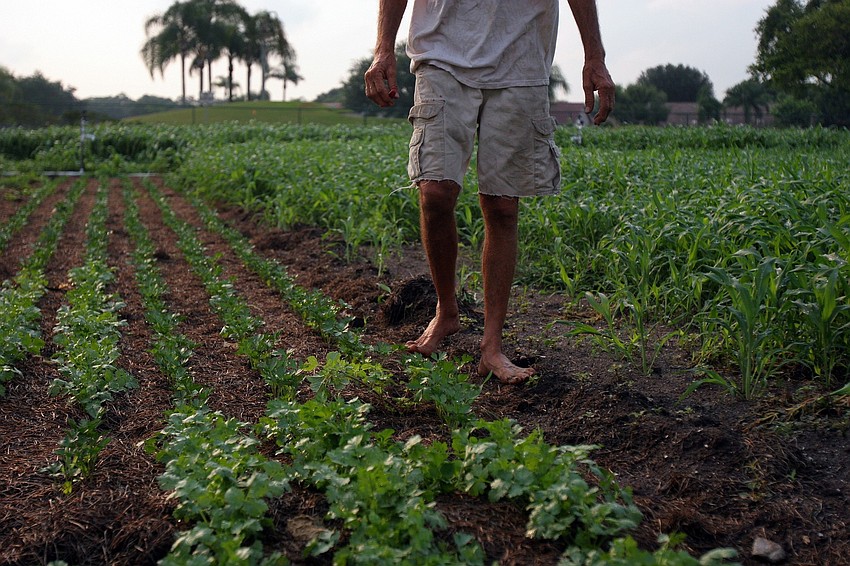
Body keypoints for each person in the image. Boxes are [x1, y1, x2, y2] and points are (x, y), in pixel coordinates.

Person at [365, 0, 614, 384]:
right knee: (435, 192)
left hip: (521, 56)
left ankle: (492, 345)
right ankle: (446, 312)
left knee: (502, 205)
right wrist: (383, 48)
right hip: (441, 51)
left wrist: (594, 55)